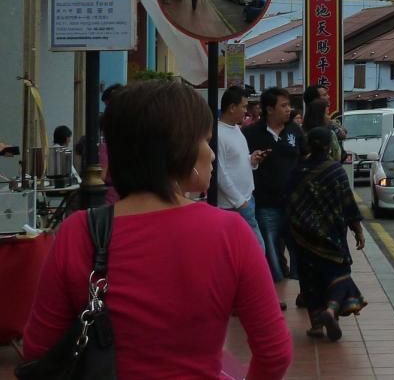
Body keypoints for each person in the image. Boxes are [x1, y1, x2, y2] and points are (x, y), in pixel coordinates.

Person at [21, 79, 291, 379]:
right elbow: (275, 353)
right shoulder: (230, 233)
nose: (212, 154)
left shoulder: (77, 232)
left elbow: (37, 351)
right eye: (205, 141)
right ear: (179, 148)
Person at [287, 127, 366, 341]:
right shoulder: (335, 170)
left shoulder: (297, 170)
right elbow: (348, 203)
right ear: (328, 146)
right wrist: (357, 229)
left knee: (310, 282)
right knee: (339, 276)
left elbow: (289, 204)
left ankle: (316, 326)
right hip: (332, 236)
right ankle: (331, 311)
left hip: (303, 238)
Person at [244, 87, 306, 284]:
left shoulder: (295, 132)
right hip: (265, 204)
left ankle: (301, 289)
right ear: (269, 109)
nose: (289, 110)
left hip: (293, 204)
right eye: (284, 106)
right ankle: (275, 291)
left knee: (299, 250)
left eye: (289, 105)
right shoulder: (251, 134)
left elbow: (305, 159)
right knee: (269, 253)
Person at [216, 86, 267, 249]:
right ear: (232, 107)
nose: (246, 111)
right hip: (233, 205)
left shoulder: (237, 129)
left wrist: (252, 159)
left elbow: (237, 160)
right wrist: (240, 202)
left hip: (246, 199)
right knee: (257, 250)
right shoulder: (218, 133)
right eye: (243, 106)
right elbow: (220, 172)